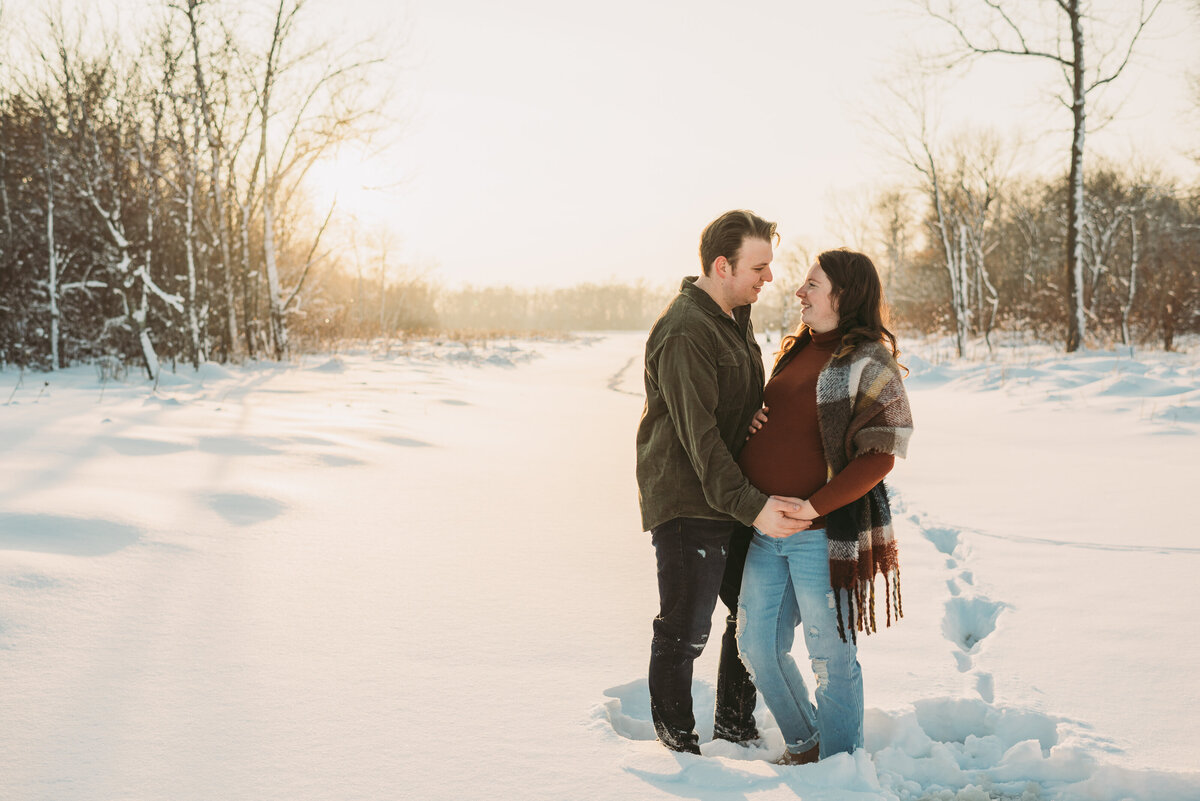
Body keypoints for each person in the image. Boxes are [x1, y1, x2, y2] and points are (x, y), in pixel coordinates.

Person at [635, 209, 811, 755]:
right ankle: (677, 745)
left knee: (749, 613)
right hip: (690, 501)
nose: (770, 277)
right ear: (721, 264)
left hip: (730, 495)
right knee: (686, 626)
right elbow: (698, 439)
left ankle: (735, 726)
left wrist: (749, 417)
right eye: (759, 266)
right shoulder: (687, 329)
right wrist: (754, 507)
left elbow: (720, 413)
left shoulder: (730, 316)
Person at [735, 248, 913, 765]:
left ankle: (840, 769)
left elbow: (881, 454)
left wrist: (813, 508)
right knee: (757, 647)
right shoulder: (796, 350)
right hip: (768, 528)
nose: (799, 292)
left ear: (843, 296)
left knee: (831, 658)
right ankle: (807, 745)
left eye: (812, 284)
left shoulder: (868, 363)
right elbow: (787, 422)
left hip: (821, 533)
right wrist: (752, 426)